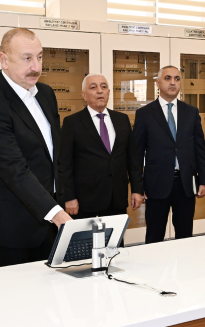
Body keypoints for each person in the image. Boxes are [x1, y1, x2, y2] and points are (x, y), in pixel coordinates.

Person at [0, 28, 72, 267]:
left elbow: (54, 154)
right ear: (4, 60)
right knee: (16, 291)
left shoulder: (45, 94)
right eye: (27, 58)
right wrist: (57, 214)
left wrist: (63, 200)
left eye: (39, 57)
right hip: (11, 227)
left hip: (48, 221)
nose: (36, 67)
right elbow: (14, 170)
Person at [133, 65, 205, 243]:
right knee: (154, 236)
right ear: (158, 83)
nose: (172, 82)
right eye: (167, 78)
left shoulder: (191, 112)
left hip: (185, 184)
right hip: (155, 185)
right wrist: (138, 187)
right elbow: (137, 154)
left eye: (177, 78)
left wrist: (204, 180)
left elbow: (200, 148)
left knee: (185, 235)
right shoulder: (144, 114)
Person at [59, 74, 144, 222]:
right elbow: (65, 164)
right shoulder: (72, 123)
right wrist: (69, 197)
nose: (100, 91)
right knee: (86, 237)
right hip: (85, 200)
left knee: (115, 237)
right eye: (93, 87)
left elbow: (133, 159)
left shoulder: (122, 119)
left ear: (109, 92)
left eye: (103, 87)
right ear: (84, 94)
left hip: (116, 198)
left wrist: (137, 190)